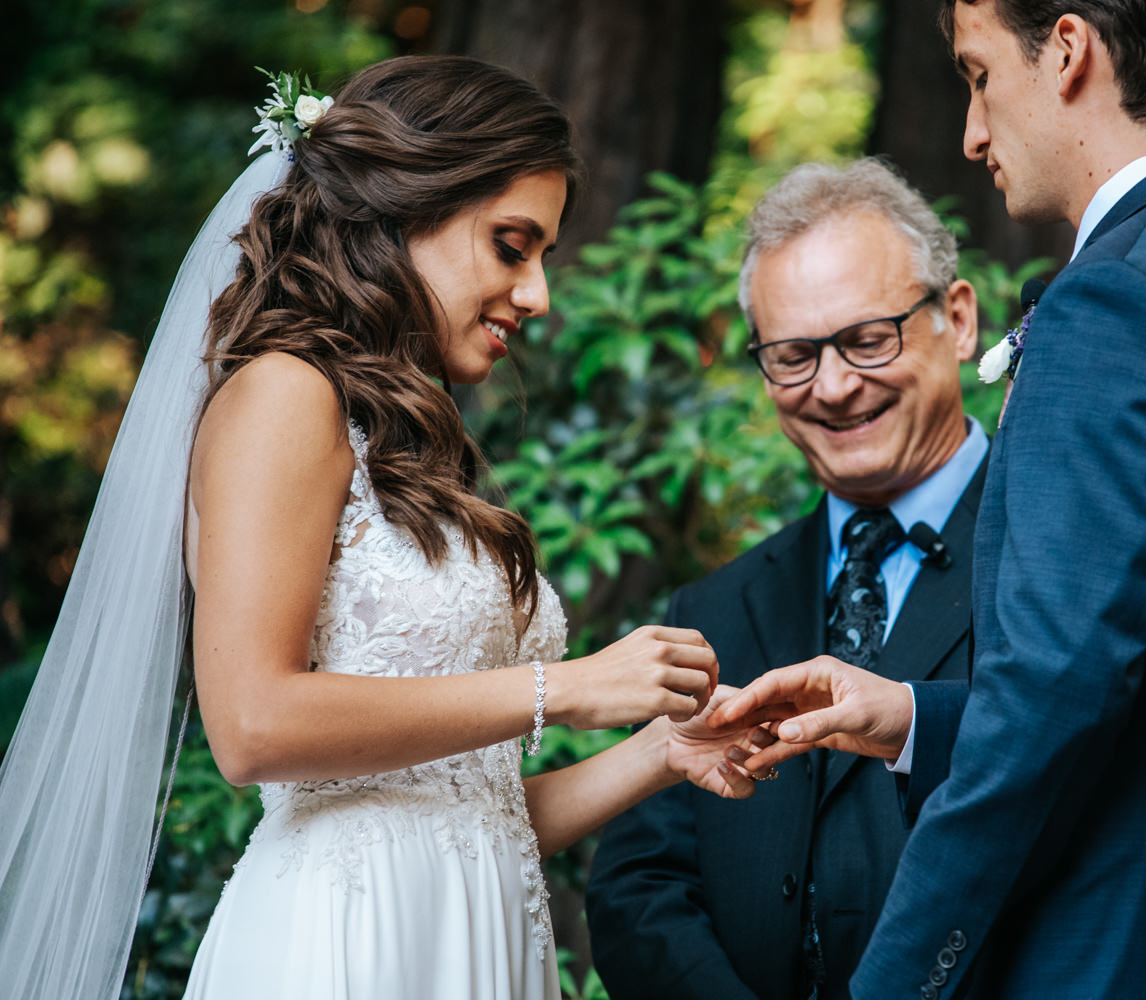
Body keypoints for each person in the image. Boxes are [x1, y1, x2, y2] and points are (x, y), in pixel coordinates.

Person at [0, 56, 770, 1000]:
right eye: (512, 247)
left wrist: (661, 752)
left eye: (542, 257)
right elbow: (250, 725)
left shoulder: (397, 442)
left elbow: (468, 818)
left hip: (469, 943)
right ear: (404, 211)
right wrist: (565, 687)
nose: (538, 294)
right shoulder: (283, 396)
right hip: (343, 949)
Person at [716, 1, 1146, 997]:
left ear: (1068, 50)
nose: (972, 132)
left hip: (1127, 961)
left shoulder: (1115, 302)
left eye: (980, 75)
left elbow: (1051, 703)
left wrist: (893, 983)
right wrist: (910, 716)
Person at [585, 158, 987, 1000]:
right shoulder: (713, 608)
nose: (833, 388)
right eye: (794, 356)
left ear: (957, 319)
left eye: (868, 340)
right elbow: (639, 887)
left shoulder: (1059, 555)